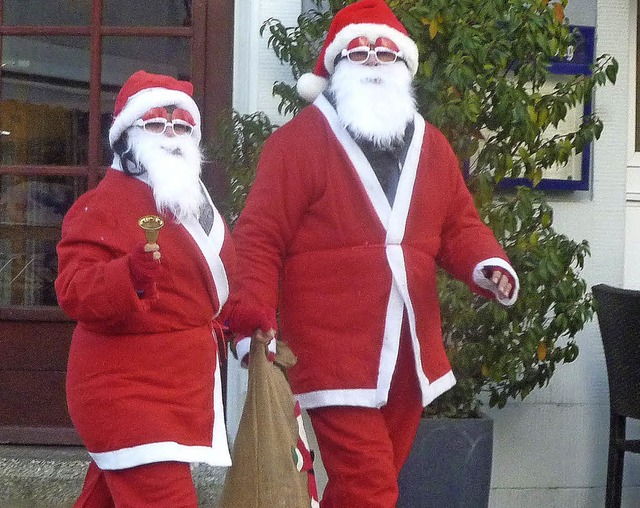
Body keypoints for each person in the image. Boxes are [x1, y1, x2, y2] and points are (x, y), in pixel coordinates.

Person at [226, 1, 520, 506]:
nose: (373, 63)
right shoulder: (296, 144)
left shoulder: (433, 146)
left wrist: (486, 264)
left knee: (363, 485)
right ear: (336, 67)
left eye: (385, 54)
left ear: (404, 67)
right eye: (358, 53)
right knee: (372, 488)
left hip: (409, 352)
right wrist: (251, 313)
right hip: (332, 350)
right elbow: (259, 236)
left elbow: (459, 226)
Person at [55, 70, 234, 507]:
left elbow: (215, 278)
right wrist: (126, 277)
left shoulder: (190, 198)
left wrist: (244, 316)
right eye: (156, 124)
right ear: (128, 136)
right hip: (125, 388)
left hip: (179, 384)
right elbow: (72, 289)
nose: (171, 135)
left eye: (182, 126)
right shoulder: (102, 204)